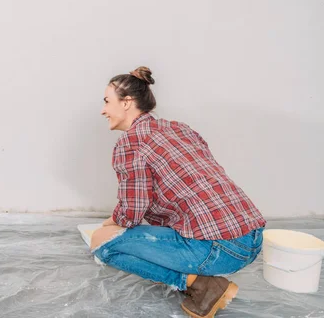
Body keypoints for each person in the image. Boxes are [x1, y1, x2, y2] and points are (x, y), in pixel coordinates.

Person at [91, 66, 266, 318]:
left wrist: (106, 227)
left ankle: (203, 285)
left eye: (107, 102)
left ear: (127, 103)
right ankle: (199, 275)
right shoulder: (180, 128)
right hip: (252, 239)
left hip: (218, 250)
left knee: (104, 245)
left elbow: (132, 212)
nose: (103, 110)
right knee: (123, 234)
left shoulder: (131, 142)